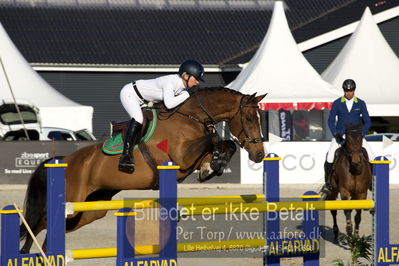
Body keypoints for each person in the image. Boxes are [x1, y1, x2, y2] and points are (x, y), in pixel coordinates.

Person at [118, 59, 205, 173]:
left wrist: (186, 94)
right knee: (138, 118)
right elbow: (169, 104)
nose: (197, 82)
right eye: (196, 79)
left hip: (144, 100)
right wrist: (187, 94)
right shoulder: (170, 81)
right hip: (130, 93)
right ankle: (126, 155)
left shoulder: (181, 87)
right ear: (185, 75)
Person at [322, 79, 375, 196]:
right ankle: (328, 184)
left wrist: (362, 134)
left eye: (350, 91)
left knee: (372, 156)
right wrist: (335, 134)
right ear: (344, 91)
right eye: (346, 91)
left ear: (354, 91)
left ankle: (372, 183)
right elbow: (330, 121)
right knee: (330, 156)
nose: (348, 93)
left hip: (357, 136)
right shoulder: (337, 103)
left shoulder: (360, 103)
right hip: (341, 135)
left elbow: (367, 122)